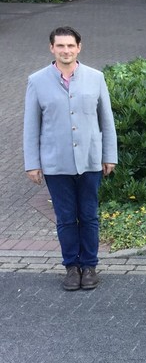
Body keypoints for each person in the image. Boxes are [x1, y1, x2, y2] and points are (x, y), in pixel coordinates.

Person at [23, 26, 118, 291]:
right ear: (52, 48)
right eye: (60, 46)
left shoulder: (95, 78)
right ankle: (71, 267)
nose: (66, 50)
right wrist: (32, 163)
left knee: (88, 215)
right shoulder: (37, 81)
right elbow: (31, 125)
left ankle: (89, 266)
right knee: (65, 217)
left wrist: (109, 155)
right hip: (56, 163)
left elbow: (106, 121)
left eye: (70, 46)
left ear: (79, 47)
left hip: (90, 160)